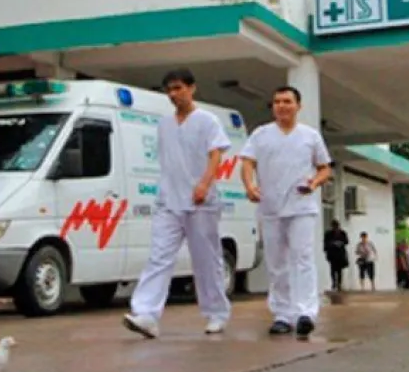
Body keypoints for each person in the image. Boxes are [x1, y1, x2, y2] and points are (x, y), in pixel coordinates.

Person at [123, 69, 233, 339]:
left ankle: (216, 313)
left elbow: (215, 155)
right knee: (159, 256)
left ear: (192, 88)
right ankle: (146, 313)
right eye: (169, 90)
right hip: (169, 202)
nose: (173, 95)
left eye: (178, 88)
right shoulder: (164, 125)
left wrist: (204, 184)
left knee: (206, 261)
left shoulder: (207, 120)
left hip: (201, 202)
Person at [240, 85, 332, 339]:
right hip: (270, 207)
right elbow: (247, 162)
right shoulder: (261, 135)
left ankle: (305, 313)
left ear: (298, 106)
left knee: (302, 258)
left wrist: (313, 183)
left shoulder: (310, 136)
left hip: (301, 206)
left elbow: (325, 168)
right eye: (277, 101)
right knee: (276, 262)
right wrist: (250, 186)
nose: (281, 106)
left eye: (287, 101)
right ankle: (282, 314)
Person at [323, 220, 350, 292]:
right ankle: (334, 284)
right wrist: (333, 244)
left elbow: (346, 241)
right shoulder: (328, 233)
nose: (336, 228)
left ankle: (339, 284)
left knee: (339, 270)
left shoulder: (342, 233)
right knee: (333, 270)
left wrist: (340, 243)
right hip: (332, 254)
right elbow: (326, 243)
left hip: (340, 254)